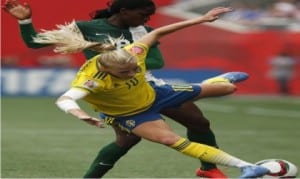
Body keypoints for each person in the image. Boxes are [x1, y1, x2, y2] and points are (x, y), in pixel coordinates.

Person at [2, 0, 241, 178]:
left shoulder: (142, 33)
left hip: (148, 86)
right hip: (113, 93)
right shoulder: (86, 28)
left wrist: (122, 58)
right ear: (124, 11)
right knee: (127, 141)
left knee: (198, 121)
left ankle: (208, 168)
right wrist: (25, 20)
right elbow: (35, 42)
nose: (146, 20)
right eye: (143, 14)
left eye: (149, 16)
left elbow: (157, 62)